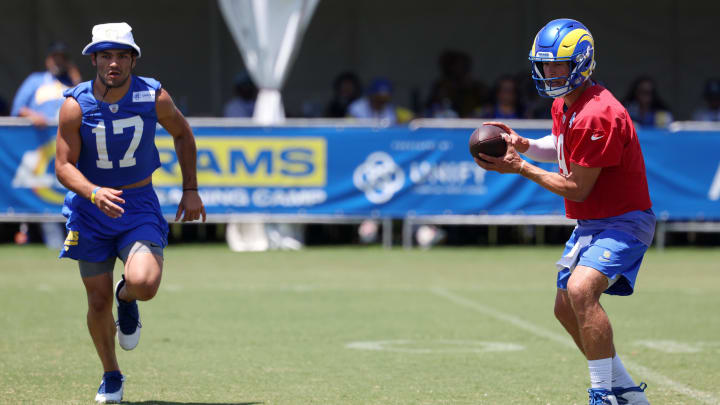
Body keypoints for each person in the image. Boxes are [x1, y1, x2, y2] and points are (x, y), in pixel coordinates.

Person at [473, 19, 654, 405]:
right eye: (545, 65)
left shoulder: (598, 113)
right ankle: (624, 390)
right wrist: (523, 145)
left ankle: (603, 394)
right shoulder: (565, 104)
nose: (550, 72)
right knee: (564, 308)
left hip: (625, 221)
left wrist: (519, 167)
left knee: (580, 290)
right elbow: (558, 145)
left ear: (581, 63)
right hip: (593, 221)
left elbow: (577, 187)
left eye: (559, 65)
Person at [54, 22, 206, 403]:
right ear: (93, 59)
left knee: (145, 282)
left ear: (133, 59)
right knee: (96, 300)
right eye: (106, 55)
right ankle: (111, 374)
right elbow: (63, 165)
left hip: (137, 205)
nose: (114, 63)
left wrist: (190, 189)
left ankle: (128, 298)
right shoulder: (75, 104)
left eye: (122, 55)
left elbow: (183, 134)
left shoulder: (153, 96)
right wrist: (92, 192)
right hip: (90, 210)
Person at [12, 41, 83, 249]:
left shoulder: (72, 82)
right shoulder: (36, 81)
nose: (58, 61)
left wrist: (76, 77)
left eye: (63, 57)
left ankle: (77, 242)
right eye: (55, 57)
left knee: (71, 192)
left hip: (69, 148)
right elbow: (18, 108)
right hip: (41, 149)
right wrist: (34, 116)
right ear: (48, 59)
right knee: (43, 193)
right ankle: (53, 244)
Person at [347, 77, 413, 124]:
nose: (381, 101)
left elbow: (412, 118)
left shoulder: (392, 109)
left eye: (385, 99)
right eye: (378, 98)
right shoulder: (357, 108)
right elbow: (347, 126)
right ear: (371, 95)